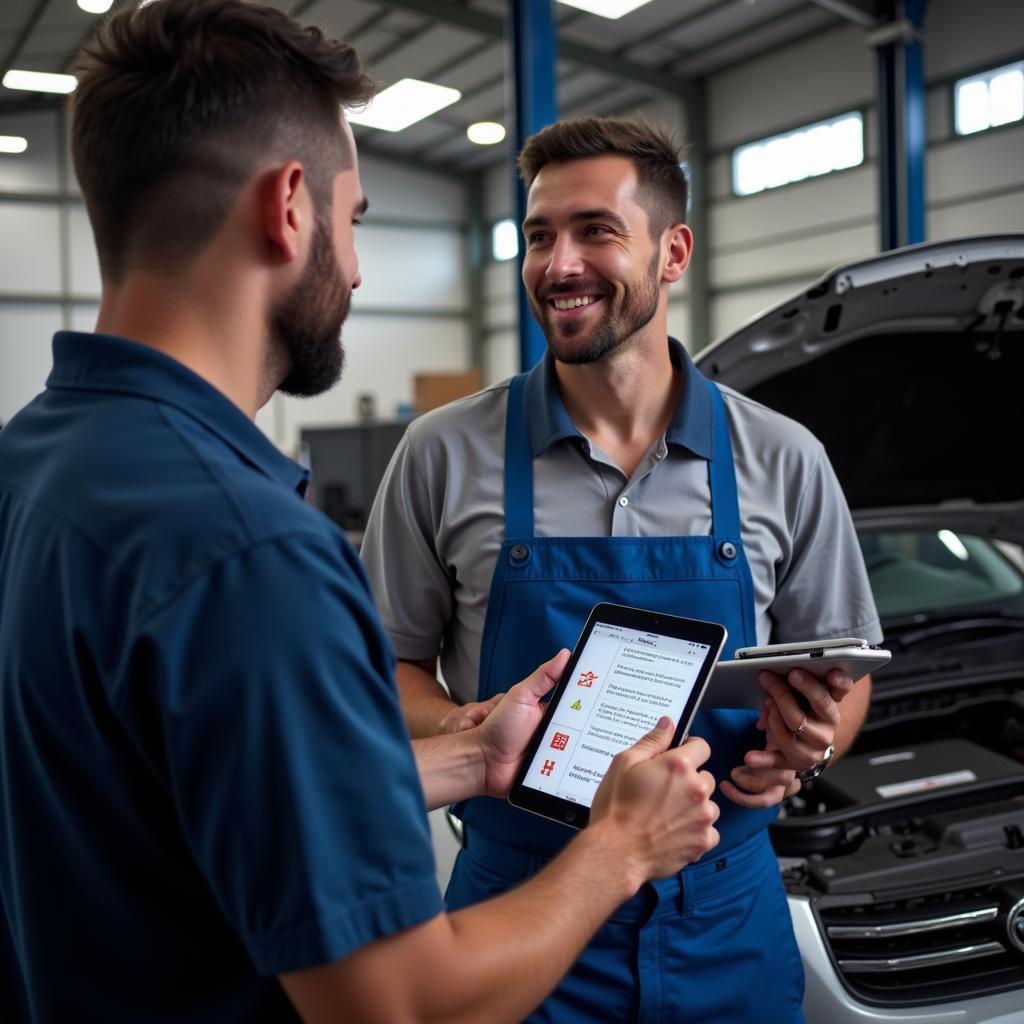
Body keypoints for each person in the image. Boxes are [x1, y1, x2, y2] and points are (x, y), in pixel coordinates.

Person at [0, 6, 723, 1022]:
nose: (358, 267)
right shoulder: (249, 552)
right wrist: (619, 847)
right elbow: (401, 1004)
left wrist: (475, 755)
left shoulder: (34, 460)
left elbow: (178, 795)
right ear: (289, 207)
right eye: (355, 218)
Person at [361, 115, 883, 1023]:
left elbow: (846, 667)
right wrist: (468, 725)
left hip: (725, 911)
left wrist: (815, 743)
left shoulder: (783, 458)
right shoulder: (441, 455)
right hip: (518, 904)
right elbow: (380, 670)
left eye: (596, 231)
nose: (558, 264)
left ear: (673, 251)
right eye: (538, 237)